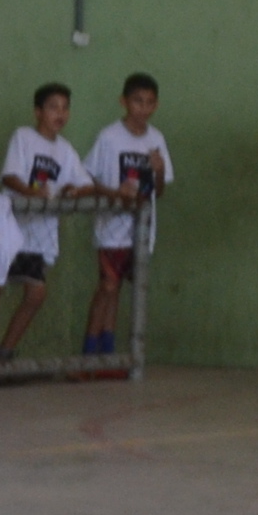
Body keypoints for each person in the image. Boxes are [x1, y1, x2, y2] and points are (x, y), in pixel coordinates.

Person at [0, 82, 90, 365]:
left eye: (65, 108)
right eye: (53, 107)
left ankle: (5, 351)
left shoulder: (66, 151)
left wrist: (73, 191)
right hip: (12, 226)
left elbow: (84, 182)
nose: (60, 114)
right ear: (38, 112)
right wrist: (33, 194)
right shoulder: (23, 137)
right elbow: (9, 177)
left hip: (37, 234)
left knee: (36, 292)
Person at [80, 72, 170, 360]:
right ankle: (87, 352)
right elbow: (86, 179)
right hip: (110, 227)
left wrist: (158, 171)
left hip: (141, 230)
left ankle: (107, 352)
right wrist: (115, 193)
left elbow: (160, 192)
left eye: (149, 102)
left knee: (118, 291)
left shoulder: (157, 139)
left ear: (156, 106)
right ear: (124, 102)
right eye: (137, 101)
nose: (143, 108)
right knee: (107, 285)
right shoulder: (109, 137)